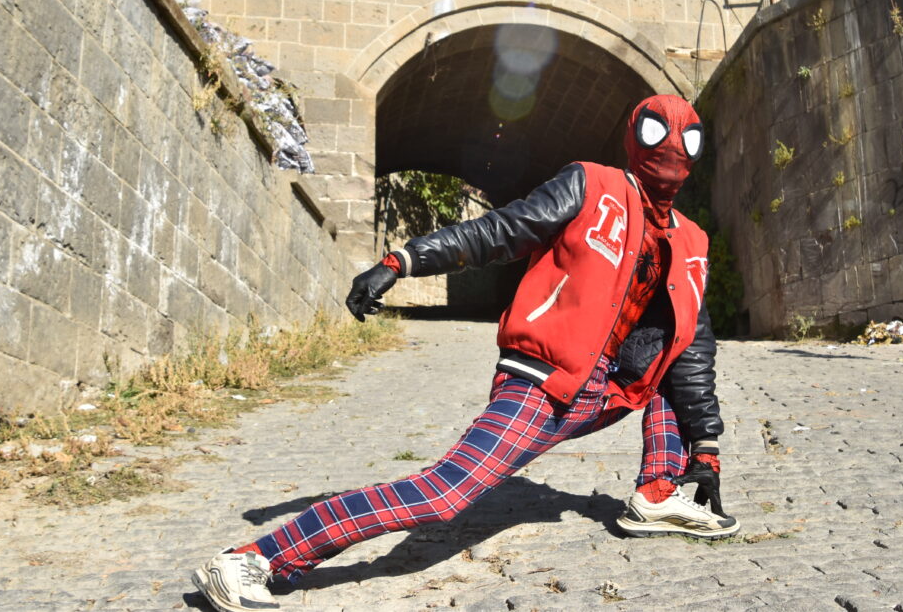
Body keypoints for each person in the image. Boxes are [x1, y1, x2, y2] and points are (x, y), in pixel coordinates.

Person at [192, 94, 736, 612]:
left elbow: (692, 350)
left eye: (685, 138)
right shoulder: (591, 184)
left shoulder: (692, 243)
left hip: (605, 391)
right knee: (444, 495)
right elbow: (500, 230)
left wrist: (705, 451)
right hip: (545, 380)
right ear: (635, 139)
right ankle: (255, 558)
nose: (672, 147)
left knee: (670, 363)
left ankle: (658, 492)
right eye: (658, 132)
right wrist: (404, 261)